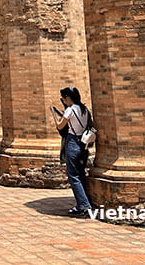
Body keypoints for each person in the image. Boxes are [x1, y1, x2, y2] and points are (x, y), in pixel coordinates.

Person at [55, 86, 94, 218]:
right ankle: (81, 204)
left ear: (67, 98)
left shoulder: (70, 110)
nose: (63, 100)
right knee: (80, 173)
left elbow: (61, 126)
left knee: (73, 176)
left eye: (63, 98)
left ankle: (84, 206)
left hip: (72, 142)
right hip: (83, 143)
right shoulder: (84, 109)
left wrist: (57, 120)